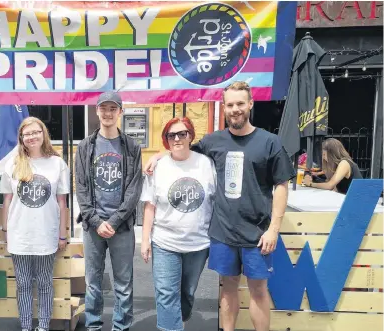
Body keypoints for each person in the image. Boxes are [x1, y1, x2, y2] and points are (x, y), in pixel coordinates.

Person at [144, 81, 295, 331]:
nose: (235, 109)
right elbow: (181, 149)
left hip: (257, 233)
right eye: (230, 104)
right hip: (223, 233)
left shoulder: (270, 142)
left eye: (240, 104)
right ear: (224, 107)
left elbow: (281, 186)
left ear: (250, 104)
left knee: (258, 290)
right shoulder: (213, 142)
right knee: (228, 288)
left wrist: (274, 229)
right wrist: (158, 155)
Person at [140, 117, 216, 331]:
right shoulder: (159, 167)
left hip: (198, 244)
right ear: (166, 139)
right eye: (171, 135)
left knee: (187, 292)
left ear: (190, 135)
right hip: (165, 242)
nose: (177, 139)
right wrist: (145, 240)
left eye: (182, 134)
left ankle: (179, 319)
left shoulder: (206, 164)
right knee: (166, 293)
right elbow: (150, 206)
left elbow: (217, 200)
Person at [75, 91, 143, 331]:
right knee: (93, 282)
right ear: (97, 111)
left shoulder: (132, 147)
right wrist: (95, 220)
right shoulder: (85, 146)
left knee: (123, 283)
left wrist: (113, 221)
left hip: (122, 227)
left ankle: (120, 327)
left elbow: (134, 189)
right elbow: (81, 187)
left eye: (113, 108)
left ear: (120, 112)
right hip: (92, 227)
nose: (107, 113)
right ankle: (93, 325)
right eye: (103, 108)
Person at [0, 117, 70, 331]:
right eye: (27, 134)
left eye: (36, 132)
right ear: (21, 137)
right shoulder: (12, 164)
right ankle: (26, 326)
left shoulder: (57, 164)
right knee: (23, 284)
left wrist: (62, 234)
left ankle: (44, 326)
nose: (32, 137)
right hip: (19, 234)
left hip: (46, 234)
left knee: (46, 283)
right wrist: (5, 230)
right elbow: (7, 200)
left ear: (43, 133)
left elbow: (62, 202)